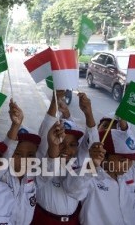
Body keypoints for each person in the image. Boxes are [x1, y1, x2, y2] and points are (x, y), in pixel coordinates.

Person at [64, 128, 135, 225]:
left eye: (131, 160)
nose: (128, 165)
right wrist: (91, 166)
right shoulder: (89, 176)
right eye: (122, 160)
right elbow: (73, 190)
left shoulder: (130, 173)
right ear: (103, 157)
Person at [32, 91, 98, 225]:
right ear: (52, 140)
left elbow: (93, 145)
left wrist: (88, 113)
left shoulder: (77, 161)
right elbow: (46, 127)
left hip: (73, 220)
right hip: (44, 219)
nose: (67, 149)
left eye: (73, 145)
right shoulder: (43, 158)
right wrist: (54, 102)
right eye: (60, 142)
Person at [0, 100, 41, 225]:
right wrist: (15, 126)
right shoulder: (0, 175)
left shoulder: (34, 176)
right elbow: (6, 153)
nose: (24, 160)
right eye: (17, 154)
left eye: (30, 155)